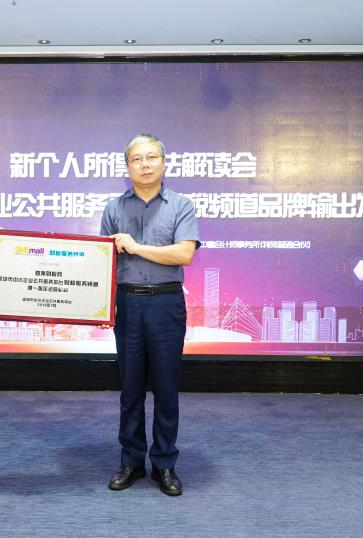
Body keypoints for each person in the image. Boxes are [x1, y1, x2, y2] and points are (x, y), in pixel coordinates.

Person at [100, 133, 200, 496]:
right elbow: (102, 260)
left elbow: (184, 254)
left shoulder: (181, 205)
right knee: (129, 389)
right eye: (137, 159)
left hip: (165, 304)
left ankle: (164, 464)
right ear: (127, 167)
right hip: (128, 303)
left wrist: (136, 247)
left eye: (151, 157)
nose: (144, 165)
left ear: (163, 162)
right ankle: (130, 461)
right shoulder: (114, 209)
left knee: (166, 389)